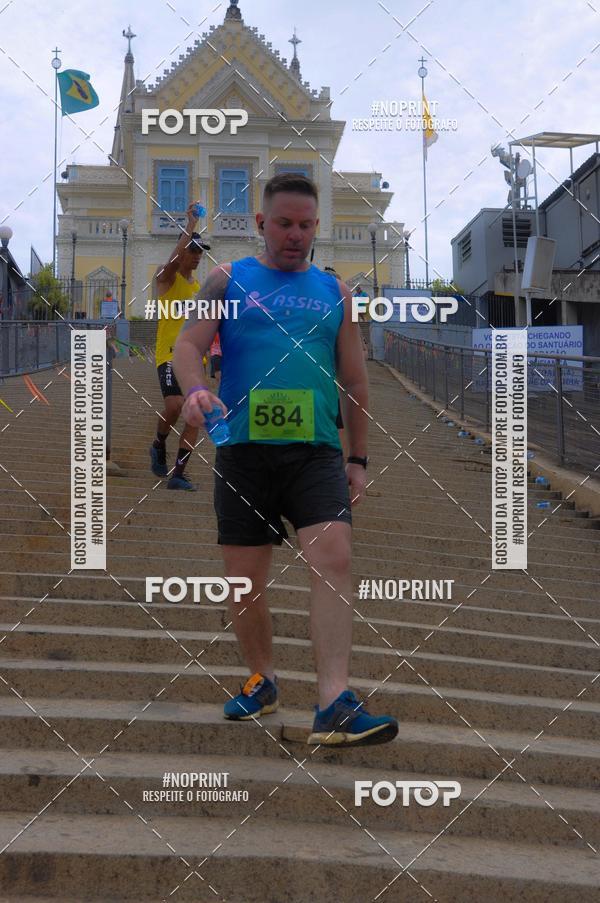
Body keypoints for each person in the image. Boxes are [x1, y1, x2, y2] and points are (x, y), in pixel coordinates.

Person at [174, 173, 398, 748]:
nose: (295, 234)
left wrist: (358, 458)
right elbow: (188, 345)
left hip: (316, 452)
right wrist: (196, 388)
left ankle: (334, 702)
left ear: (316, 226)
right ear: (261, 223)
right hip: (243, 450)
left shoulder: (336, 292)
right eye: (283, 223)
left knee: (334, 555)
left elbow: (355, 381)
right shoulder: (229, 278)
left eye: (305, 225)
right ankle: (263, 679)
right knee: (244, 580)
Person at [150, 203, 211, 491]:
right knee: (174, 406)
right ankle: (159, 442)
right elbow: (172, 262)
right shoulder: (167, 279)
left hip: (194, 360)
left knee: (194, 414)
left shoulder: (199, 289)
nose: (197, 256)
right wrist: (190, 226)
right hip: (169, 355)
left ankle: (178, 473)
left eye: (200, 252)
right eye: (193, 250)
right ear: (182, 251)